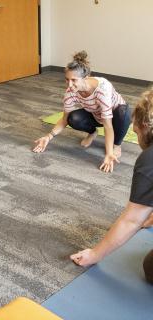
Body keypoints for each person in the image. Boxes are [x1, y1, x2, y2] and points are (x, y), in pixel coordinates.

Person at [70, 89, 153, 284]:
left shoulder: (150, 159)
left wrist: (94, 255)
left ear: (144, 126)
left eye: (136, 128)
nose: (134, 131)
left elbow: (132, 221)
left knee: (150, 268)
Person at [33, 51, 131, 173]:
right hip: (96, 114)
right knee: (72, 118)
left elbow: (108, 125)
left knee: (124, 112)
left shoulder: (102, 89)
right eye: (67, 79)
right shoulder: (70, 92)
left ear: (86, 78)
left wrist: (109, 153)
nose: (69, 84)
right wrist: (48, 136)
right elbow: (64, 120)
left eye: (74, 80)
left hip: (115, 116)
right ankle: (92, 132)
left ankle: (116, 144)